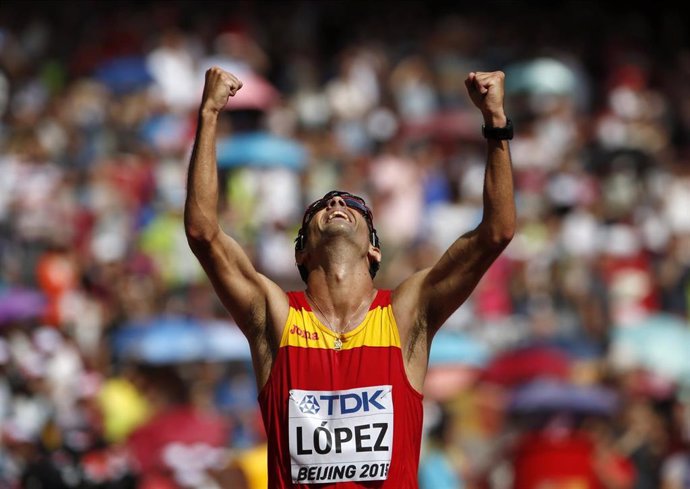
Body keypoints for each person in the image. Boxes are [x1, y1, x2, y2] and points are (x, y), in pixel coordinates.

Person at [184, 66, 515, 488]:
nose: (336, 199)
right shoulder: (276, 317)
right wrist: (209, 114)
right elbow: (203, 233)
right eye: (320, 206)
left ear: (374, 248)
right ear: (301, 252)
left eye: (352, 202)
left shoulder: (404, 314)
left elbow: (496, 232)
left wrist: (496, 122)